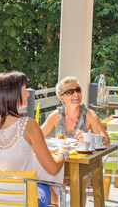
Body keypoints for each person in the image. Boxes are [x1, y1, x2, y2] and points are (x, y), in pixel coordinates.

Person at [0, 71, 67, 207]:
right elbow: (53, 169)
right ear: (13, 94)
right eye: (24, 89)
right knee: (50, 190)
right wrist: (62, 153)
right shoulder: (29, 125)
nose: (28, 93)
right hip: (23, 202)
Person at [41, 75, 110, 206]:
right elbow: (38, 135)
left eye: (78, 90)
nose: (76, 94)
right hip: (61, 166)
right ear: (62, 97)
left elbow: (106, 141)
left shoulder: (89, 115)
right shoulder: (56, 116)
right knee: (39, 178)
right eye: (70, 92)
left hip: (85, 167)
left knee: (78, 181)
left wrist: (89, 137)